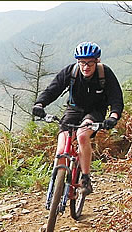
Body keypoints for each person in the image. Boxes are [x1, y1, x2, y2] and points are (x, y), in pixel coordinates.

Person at [32, 42, 124, 195]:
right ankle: (61, 183)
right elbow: (53, 89)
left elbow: (116, 99)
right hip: (74, 109)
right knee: (61, 149)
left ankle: (86, 179)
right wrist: (40, 104)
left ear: (97, 61)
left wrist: (113, 116)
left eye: (89, 63)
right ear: (77, 62)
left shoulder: (105, 73)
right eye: (82, 63)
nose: (85, 67)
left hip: (95, 111)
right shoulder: (71, 71)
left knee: (82, 135)